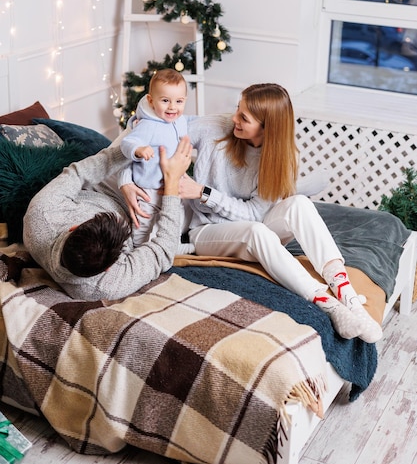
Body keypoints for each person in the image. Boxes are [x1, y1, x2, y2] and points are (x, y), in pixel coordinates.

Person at [121, 83, 382, 343]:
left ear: (267, 127)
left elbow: (255, 214)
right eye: (238, 109)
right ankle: (328, 303)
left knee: (300, 203)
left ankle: (347, 295)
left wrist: (204, 192)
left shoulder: (282, 157)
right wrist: (125, 179)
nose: (234, 118)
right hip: (207, 230)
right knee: (256, 232)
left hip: (255, 225)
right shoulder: (216, 127)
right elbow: (147, 126)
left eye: (244, 117)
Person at [22, 135, 193, 301]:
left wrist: (130, 152)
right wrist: (172, 182)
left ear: (73, 227)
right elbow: (162, 252)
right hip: (141, 217)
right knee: (195, 200)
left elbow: (77, 173)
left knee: (148, 131)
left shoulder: (41, 212)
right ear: (109, 268)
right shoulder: (105, 286)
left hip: (105, 187)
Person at [120, 69, 193, 251]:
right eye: (165, 101)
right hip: (148, 188)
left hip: (171, 185)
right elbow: (128, 142)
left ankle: (173, 246)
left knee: (175, 216)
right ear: (151, 101)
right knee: (143, 221)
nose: (172, 107)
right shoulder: (148, 125)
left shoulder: (180, 120)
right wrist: (138, 150)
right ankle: (138, 248)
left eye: (179, 101)